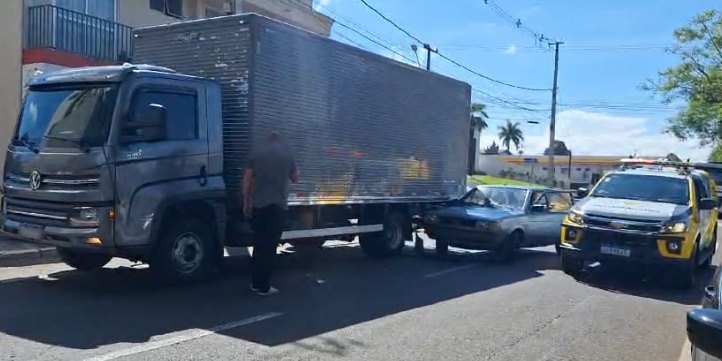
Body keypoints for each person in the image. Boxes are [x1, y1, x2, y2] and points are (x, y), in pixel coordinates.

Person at [243, 132, 299, 295]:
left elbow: (247, 180)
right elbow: (295, 177)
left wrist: (247, 202)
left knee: (259, 245)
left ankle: (255, 282)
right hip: (277, 207)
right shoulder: (286, 154)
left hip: (259, 206)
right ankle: (264, 286)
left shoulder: (257, 154)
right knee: (270, 247)